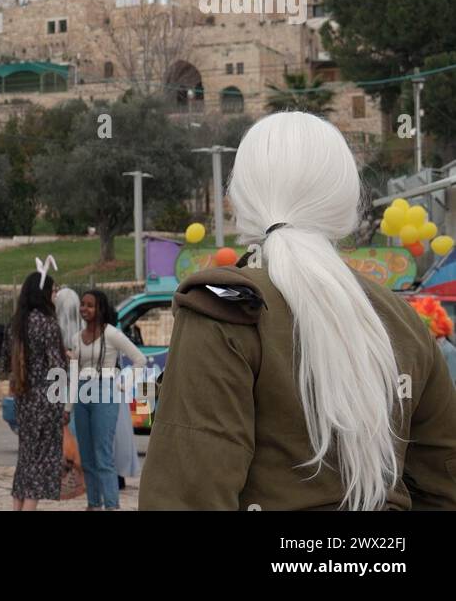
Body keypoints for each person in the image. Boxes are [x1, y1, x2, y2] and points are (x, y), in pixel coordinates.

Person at [141, 112, 456, 510]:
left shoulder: (222, 308)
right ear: (346, 202)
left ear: (242, 198)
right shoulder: (402, 321)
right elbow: (444, 487)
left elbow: (187, 495)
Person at [71, 289, 146, 510]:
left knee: (102, 453)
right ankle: (93, 504)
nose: (84, 309)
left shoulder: (112, 334)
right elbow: (74, 372)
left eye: (90, 305)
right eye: (82, 304)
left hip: (106, 391)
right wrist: (67, 406)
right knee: (86, 455)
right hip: (82, 394)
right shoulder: (76, 337)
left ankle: (111, 505)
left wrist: (123, 384)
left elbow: (139, 360)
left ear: (100, 308)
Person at [10, 269, 66, 511]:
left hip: (23, 400)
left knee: (25, 458)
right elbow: (57, 368)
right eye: (53, 290)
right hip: (46, 402)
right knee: (41, 461)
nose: (55, 295)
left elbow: (5, 362)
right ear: (43, 293)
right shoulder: (48, 324)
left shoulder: (16, 324)